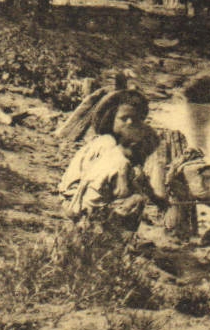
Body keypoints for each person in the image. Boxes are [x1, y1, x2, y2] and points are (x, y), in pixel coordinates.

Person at [58, 90, 160, 230]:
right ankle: (110, 239)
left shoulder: (124, 146)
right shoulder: (107, 145)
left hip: (88, 197)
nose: (130, 123)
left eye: (135, 119)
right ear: (111, 118)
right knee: (136, 200)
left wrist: (156, 198)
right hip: (75, 199)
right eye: (124, 118)